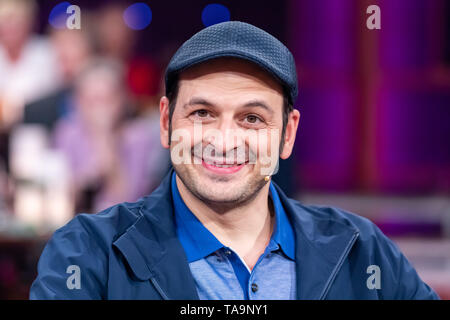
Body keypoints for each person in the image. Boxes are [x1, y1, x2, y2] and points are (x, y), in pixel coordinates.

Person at [30, 21, 439, 300]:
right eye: (202, 113)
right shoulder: (87, 253)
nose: (225, 141)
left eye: (252, 118)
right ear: (166, 122)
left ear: (288, 134)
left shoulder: (361, 252)